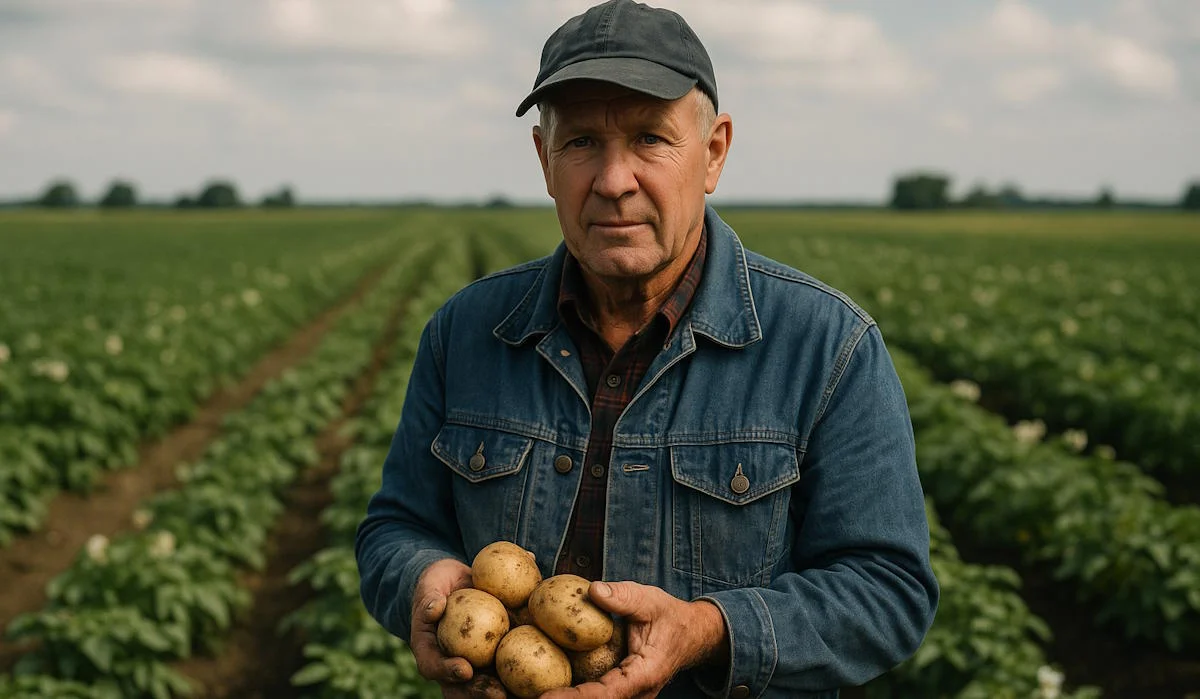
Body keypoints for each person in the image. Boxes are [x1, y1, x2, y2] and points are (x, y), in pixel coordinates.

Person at [356, 1, 938, 697]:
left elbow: (888, 590)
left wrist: (708, 629)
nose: (612, 180)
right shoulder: (466, 332)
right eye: (579, 144)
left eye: (650, 139)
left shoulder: (828, 347)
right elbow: (397, 525)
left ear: (714, 152)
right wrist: (420, 579)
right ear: (544, 160)